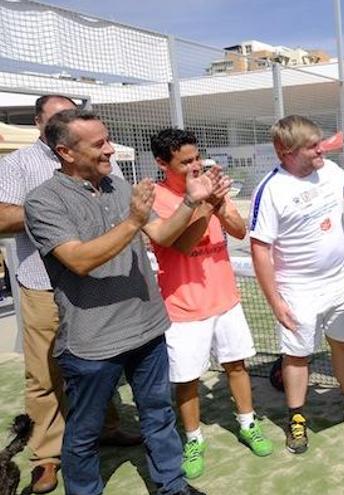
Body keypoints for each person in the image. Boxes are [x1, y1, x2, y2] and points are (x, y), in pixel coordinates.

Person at [23, 109, 207, 495]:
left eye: (107, 139)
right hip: (93, 344)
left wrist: (191, 204)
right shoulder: (43, 202)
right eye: (99, 144)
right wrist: (132, 222)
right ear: (66, 152)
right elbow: (79, 260)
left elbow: (163, 235)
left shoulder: (119, 187)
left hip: (148, 329)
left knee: (158, 415)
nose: (110, 149)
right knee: (85, 432)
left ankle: (172, 487)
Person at [0, 95, 141, 494]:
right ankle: (47, 455)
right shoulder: (18, 164)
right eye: (60, 116)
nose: (70, 120)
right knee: (45, 373)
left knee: (102, 361)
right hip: (42, 283)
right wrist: (52, 208)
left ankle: (108, 428)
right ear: (41, 125)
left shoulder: (101, 161)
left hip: (96, 281)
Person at [148, 128, 273, 479]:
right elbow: (181, 245)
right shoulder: (155, 199)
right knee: (187, 379)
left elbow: (238, 230)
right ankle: (193, 438)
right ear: (162, 163)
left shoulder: (209, 187)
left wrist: (218, 203)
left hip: (226, 299)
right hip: (183, 307)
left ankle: (248, 424)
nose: (195, 166)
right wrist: (202, 203)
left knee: (237, 365)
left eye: (197, 158)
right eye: (185, 162)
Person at [250, 114, 344, 456]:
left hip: (339, 281)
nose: (323, 149)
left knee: (343, 345)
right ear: (287, 151)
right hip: (296, 289)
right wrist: (276, 303)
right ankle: (296, 420)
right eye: (313, 146)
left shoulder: (329, 171)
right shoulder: (271, 190)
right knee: (296, 357)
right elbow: (260, 250)